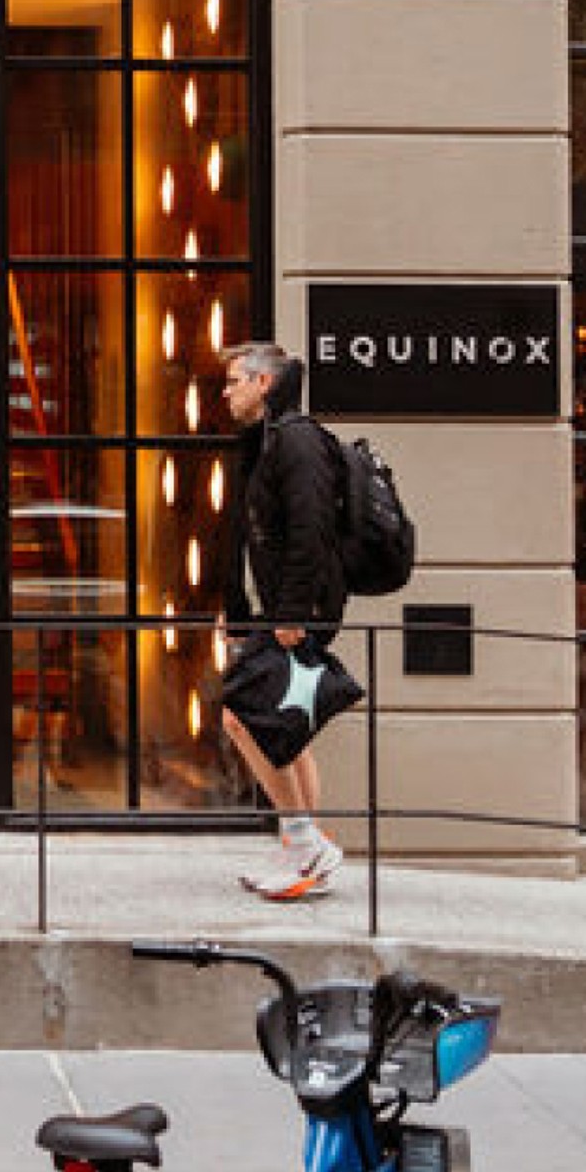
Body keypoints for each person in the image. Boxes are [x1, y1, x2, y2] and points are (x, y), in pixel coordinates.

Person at [218, 341, 353, 902]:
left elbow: (311, 526)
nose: (225, 393)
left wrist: (293, 611)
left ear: (263, 383)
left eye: (233, 381)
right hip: (279, 610)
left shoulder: (296, 440)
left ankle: (305, 842)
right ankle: (302, 850)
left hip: (297, 612)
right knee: (287, 724)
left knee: (243, 716)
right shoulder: (270, 440)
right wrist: (243, 610)